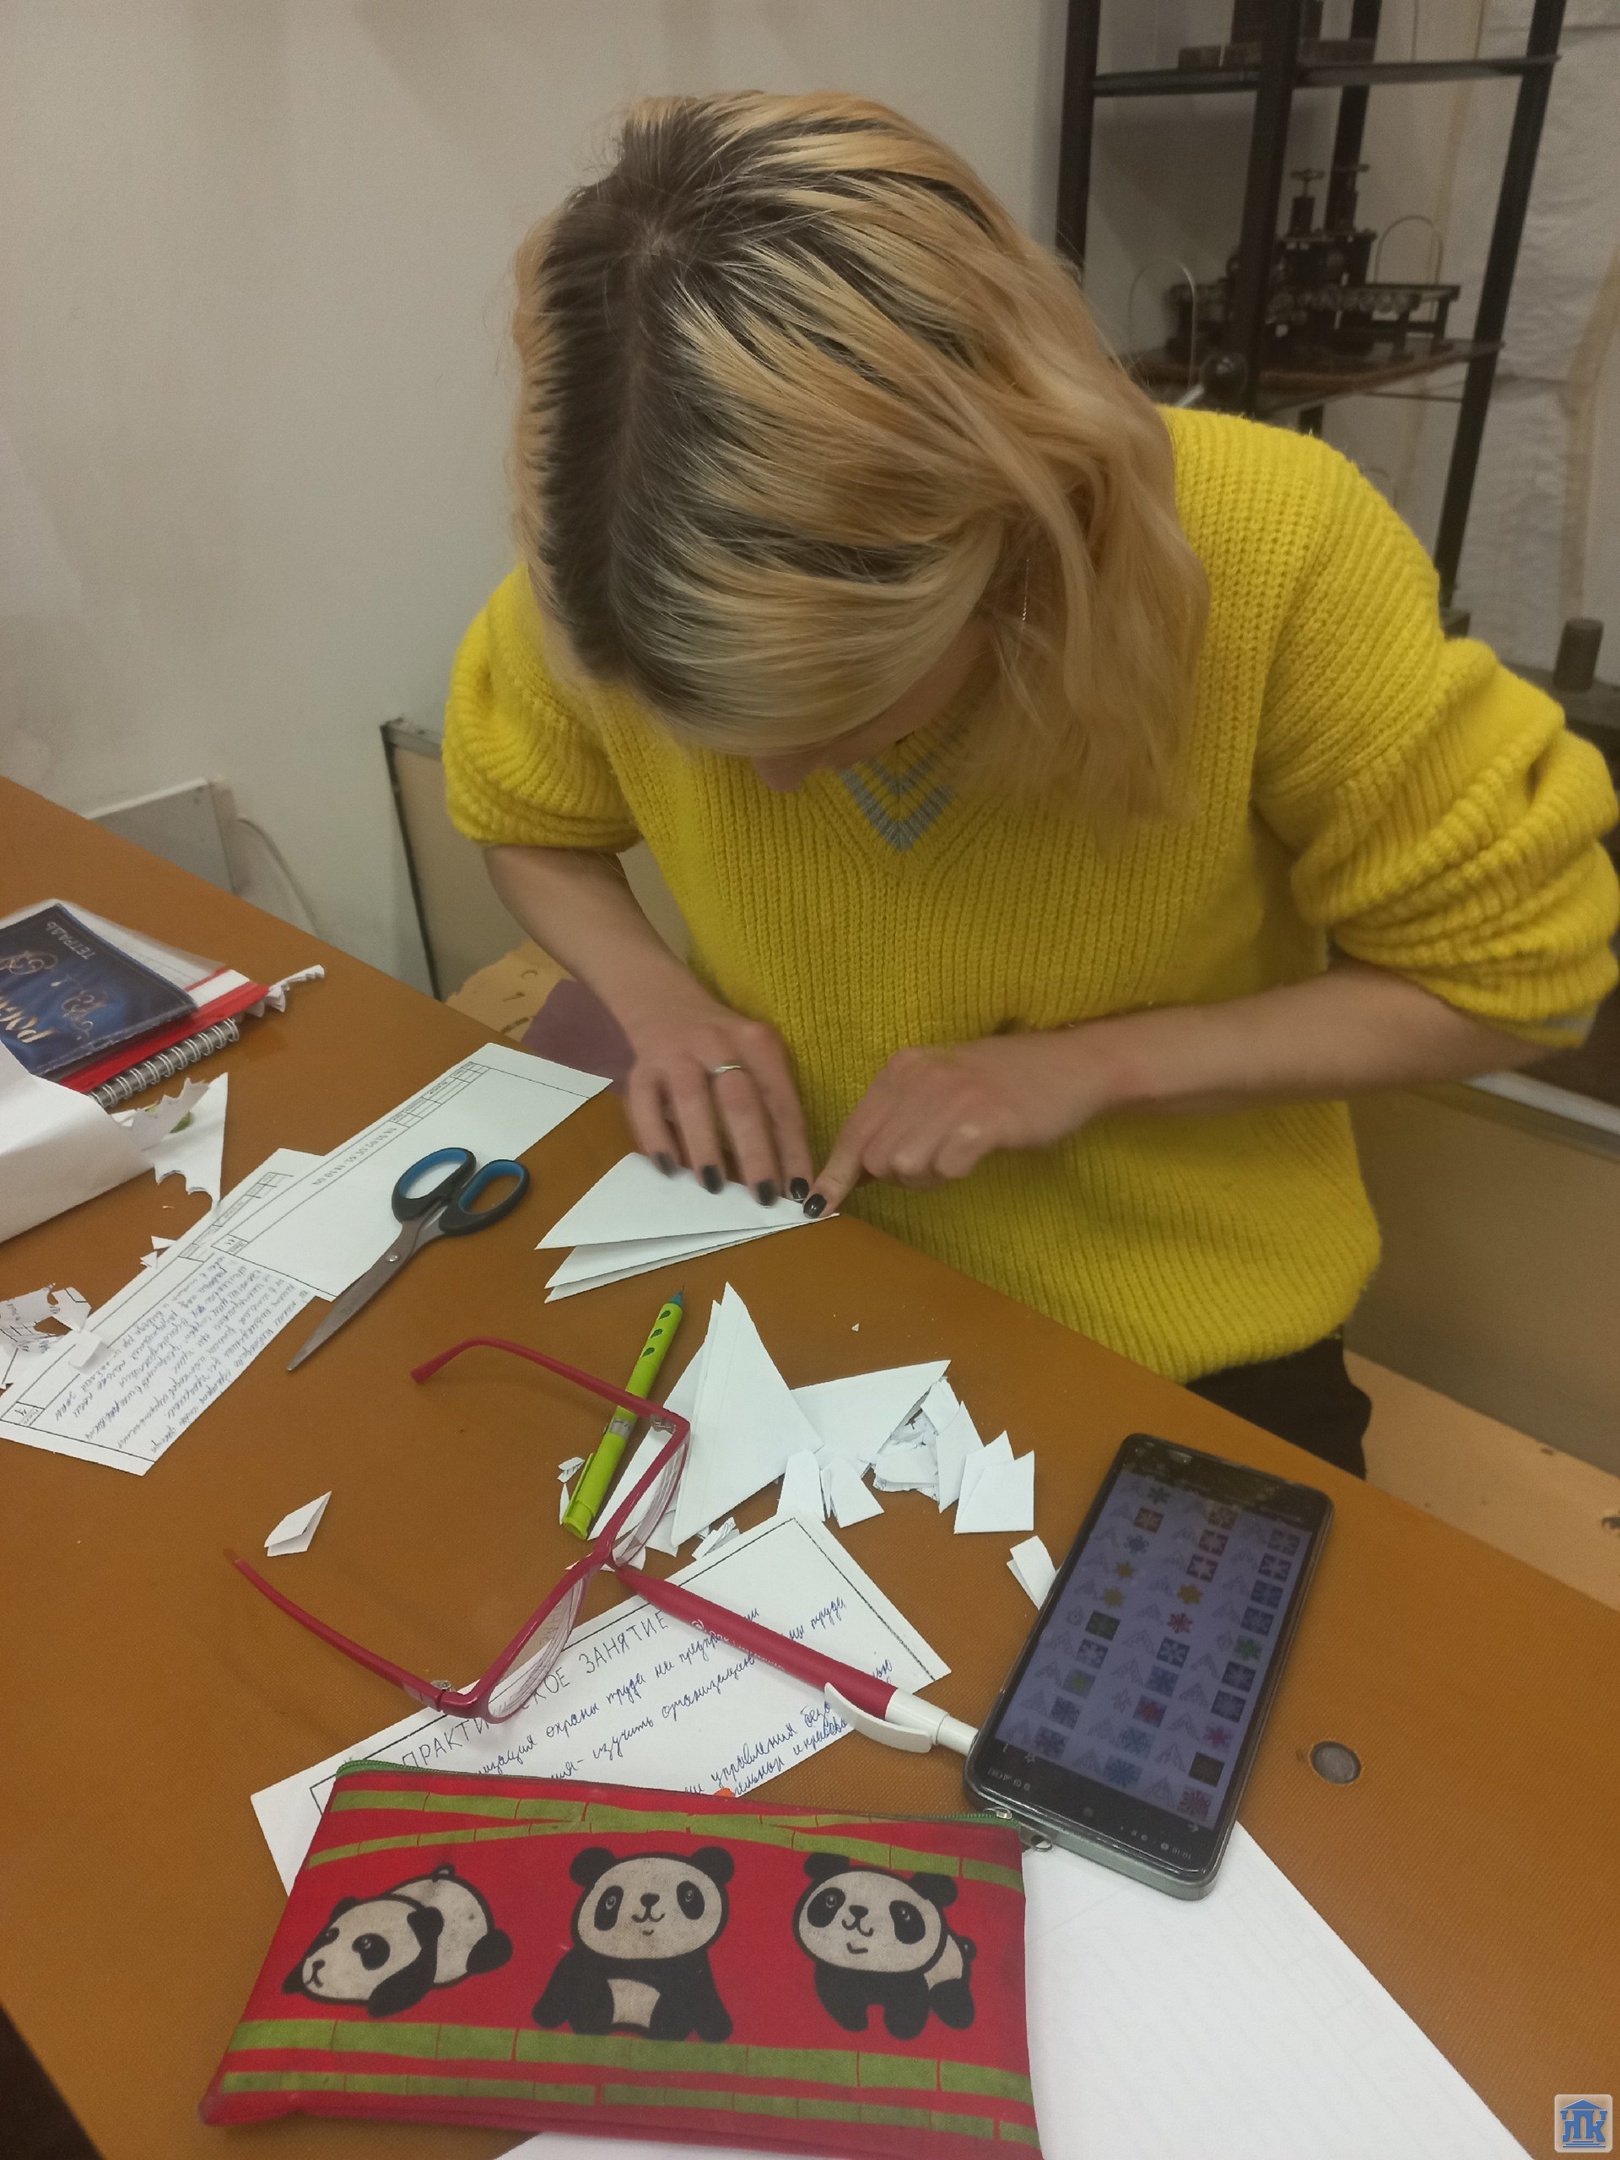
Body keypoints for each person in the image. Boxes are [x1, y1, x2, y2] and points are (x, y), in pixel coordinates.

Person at [444, 92, 1618, 1475]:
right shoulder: (629, 556)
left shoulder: (1274, 556)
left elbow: (1516, 979)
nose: (768, 781)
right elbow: (528, 823)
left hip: (1181, 1327)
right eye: (692, 731)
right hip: (798, 1251)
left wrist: (1093, 1067)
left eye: (841, 711)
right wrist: (657, 1001)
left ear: (1016, 537)